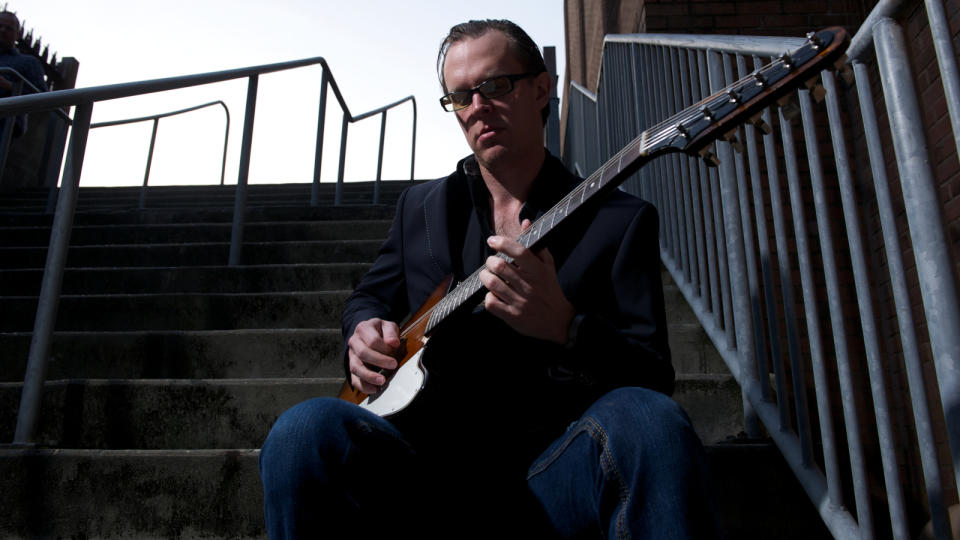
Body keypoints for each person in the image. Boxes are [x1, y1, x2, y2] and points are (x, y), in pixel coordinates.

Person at [260, 19, 720, 539]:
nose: (476, 106)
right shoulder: (422, 207)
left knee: (648, 420)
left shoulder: (618, 220)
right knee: (302, 431)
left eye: (494, 85)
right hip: (423, 475)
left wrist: (567, 329)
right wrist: (361, 331)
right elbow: (371, 295)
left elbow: (652, 376)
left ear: (541, 89)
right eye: (459, 97)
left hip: (556, 470)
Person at [0, 10, 48, 136]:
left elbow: (44, 98)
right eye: (0, 26)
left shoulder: (28, 62)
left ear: (18, 34)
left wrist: (10, 86)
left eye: (8, 28)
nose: (3, 30)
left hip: (4, 123)